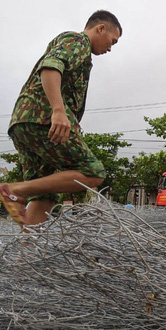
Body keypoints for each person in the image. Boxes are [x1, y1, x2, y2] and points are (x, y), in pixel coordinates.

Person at [0, 10, 122, 228]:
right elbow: (50, 67)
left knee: (44, 195)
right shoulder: (77, 41)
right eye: (112, 41)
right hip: (43, 120)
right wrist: (58, 110)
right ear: (100, 28)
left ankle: (27, 257)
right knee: (93, 172)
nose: (111, 48)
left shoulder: (83, 54)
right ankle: (15, 191)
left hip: (25, 122)